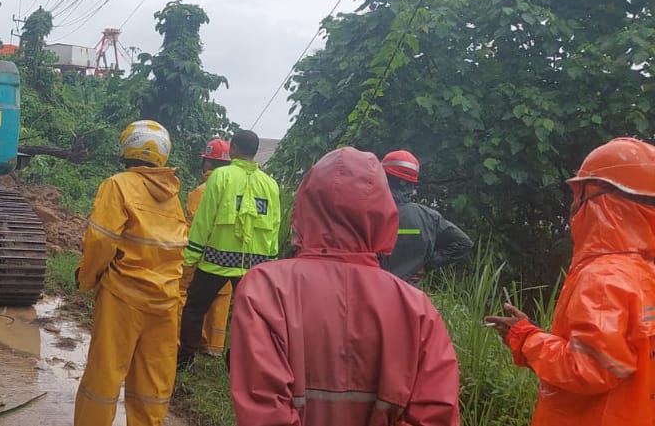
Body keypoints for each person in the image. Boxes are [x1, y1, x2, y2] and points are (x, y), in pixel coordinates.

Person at [231, 147, 460, 425]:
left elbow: (264, 411)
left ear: (306, 204)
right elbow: (434, 416)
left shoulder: (265, 289)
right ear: (384, 212)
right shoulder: (419, 311)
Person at [484, 137, 655, 426]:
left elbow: (590, 368)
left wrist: (526, 338)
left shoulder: (604, 278)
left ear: (600, 197)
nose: (573, 206)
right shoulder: (644, 274)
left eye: (578, 194)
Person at [74, 120, 188, 426]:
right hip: (165, 302)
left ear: (128, 147)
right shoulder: (172, 195)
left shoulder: (118, 185)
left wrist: (87, 278)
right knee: (153, 387)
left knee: (104, 376)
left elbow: (100, 239)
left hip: (122, 296)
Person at [178, 129, 279, 369]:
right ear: (254, 152)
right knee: (249, 318)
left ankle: (185, 359)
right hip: (254, 266)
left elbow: (205, 219)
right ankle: (237, 364)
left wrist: (191, 255)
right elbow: (274, 226)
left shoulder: (220, 177)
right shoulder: (271, 185)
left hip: (217, 260)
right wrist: (271, 264)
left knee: (194, 308)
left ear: (233, 148)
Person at [379, 149, 473, 286]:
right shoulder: (429, 217)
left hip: (369, 295)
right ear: (411, 185)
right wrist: (427, 265)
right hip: (408, 298)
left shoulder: (363, 211)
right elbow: (463, 243)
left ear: (383, 177)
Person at [178, 137, 235, 356]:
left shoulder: (201, 191)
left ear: (207, 162)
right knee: (221, 299)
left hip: (202, 254)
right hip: (229, 256)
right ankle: (214, 348)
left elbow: (192, 225)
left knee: (186, 297)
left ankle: (185, 345)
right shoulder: (236, 188)